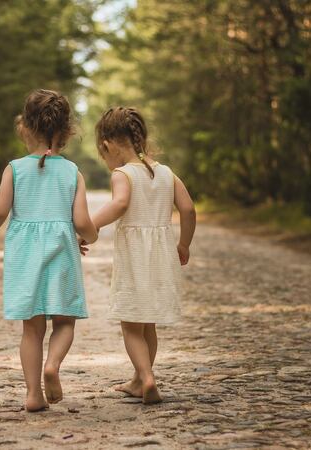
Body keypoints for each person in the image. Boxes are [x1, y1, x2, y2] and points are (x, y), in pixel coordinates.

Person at [0, 89, 98, 411]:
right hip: (62, 254)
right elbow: (83, 222)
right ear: (66, 131)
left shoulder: (14, 169)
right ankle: (52, 366)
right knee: (65, 322)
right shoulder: (72, 172)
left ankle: (33, 394)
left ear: (25, 127)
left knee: (31, 330)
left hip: (25, 259)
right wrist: (89, 237)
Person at [91, 106, 196, 404]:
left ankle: (147, 378)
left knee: (130, 324)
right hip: (162, 257)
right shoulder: (166, 173)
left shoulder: (123, 174)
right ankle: (140, 379)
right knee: (148, 322)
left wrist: (90, 225)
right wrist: (184, 244)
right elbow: (188, 209)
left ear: (108, 145)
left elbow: (120, 204)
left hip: (135, 259)